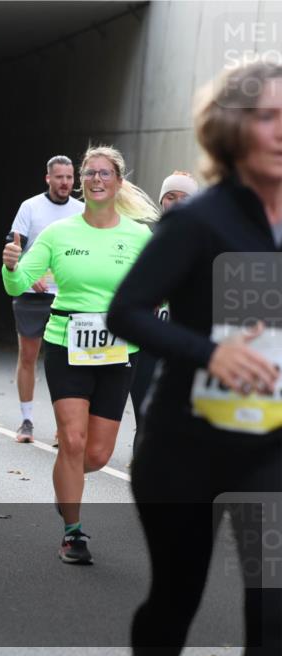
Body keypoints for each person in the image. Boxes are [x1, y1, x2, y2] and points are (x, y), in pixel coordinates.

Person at [108, 62, 281, 656]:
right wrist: (211, 352)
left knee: (275, 614)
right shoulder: (199, 221)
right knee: (176, 600)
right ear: (232, 130)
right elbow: (125, 313)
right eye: (267, 117)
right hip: (186, 447)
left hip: (270, 448)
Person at [2, 145, 159, 564]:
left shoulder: (137, 235)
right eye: (89, 173)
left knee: (97, 454)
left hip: (116, 351)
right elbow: (17, 286)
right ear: (82, 182)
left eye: (105, 173)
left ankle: (65, 485)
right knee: (71, 440)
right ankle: (73, 533)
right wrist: (11, 266)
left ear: (119, 182)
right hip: (66, 343)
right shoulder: (59, 233)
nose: (95, 179)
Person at [7, 156, 85, 444]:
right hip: (32, 295)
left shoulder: (82, 209)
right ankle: (26, 421)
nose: (65, 182)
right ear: (48, 179)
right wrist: (29, 274)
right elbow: (14, 245)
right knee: (28, 356)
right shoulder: (30, 207)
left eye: (69, 177)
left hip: (68, 297)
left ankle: (63, 425)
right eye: (59, 177)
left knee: (68, 363)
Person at [127, 170, 200, 453]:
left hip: (187, 341)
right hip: (148, 342)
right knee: (146, 409)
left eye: (185, 197)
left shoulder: (206, 239)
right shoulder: (144, 236)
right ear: (162, 201)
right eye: (171, 197)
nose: (177, 202)